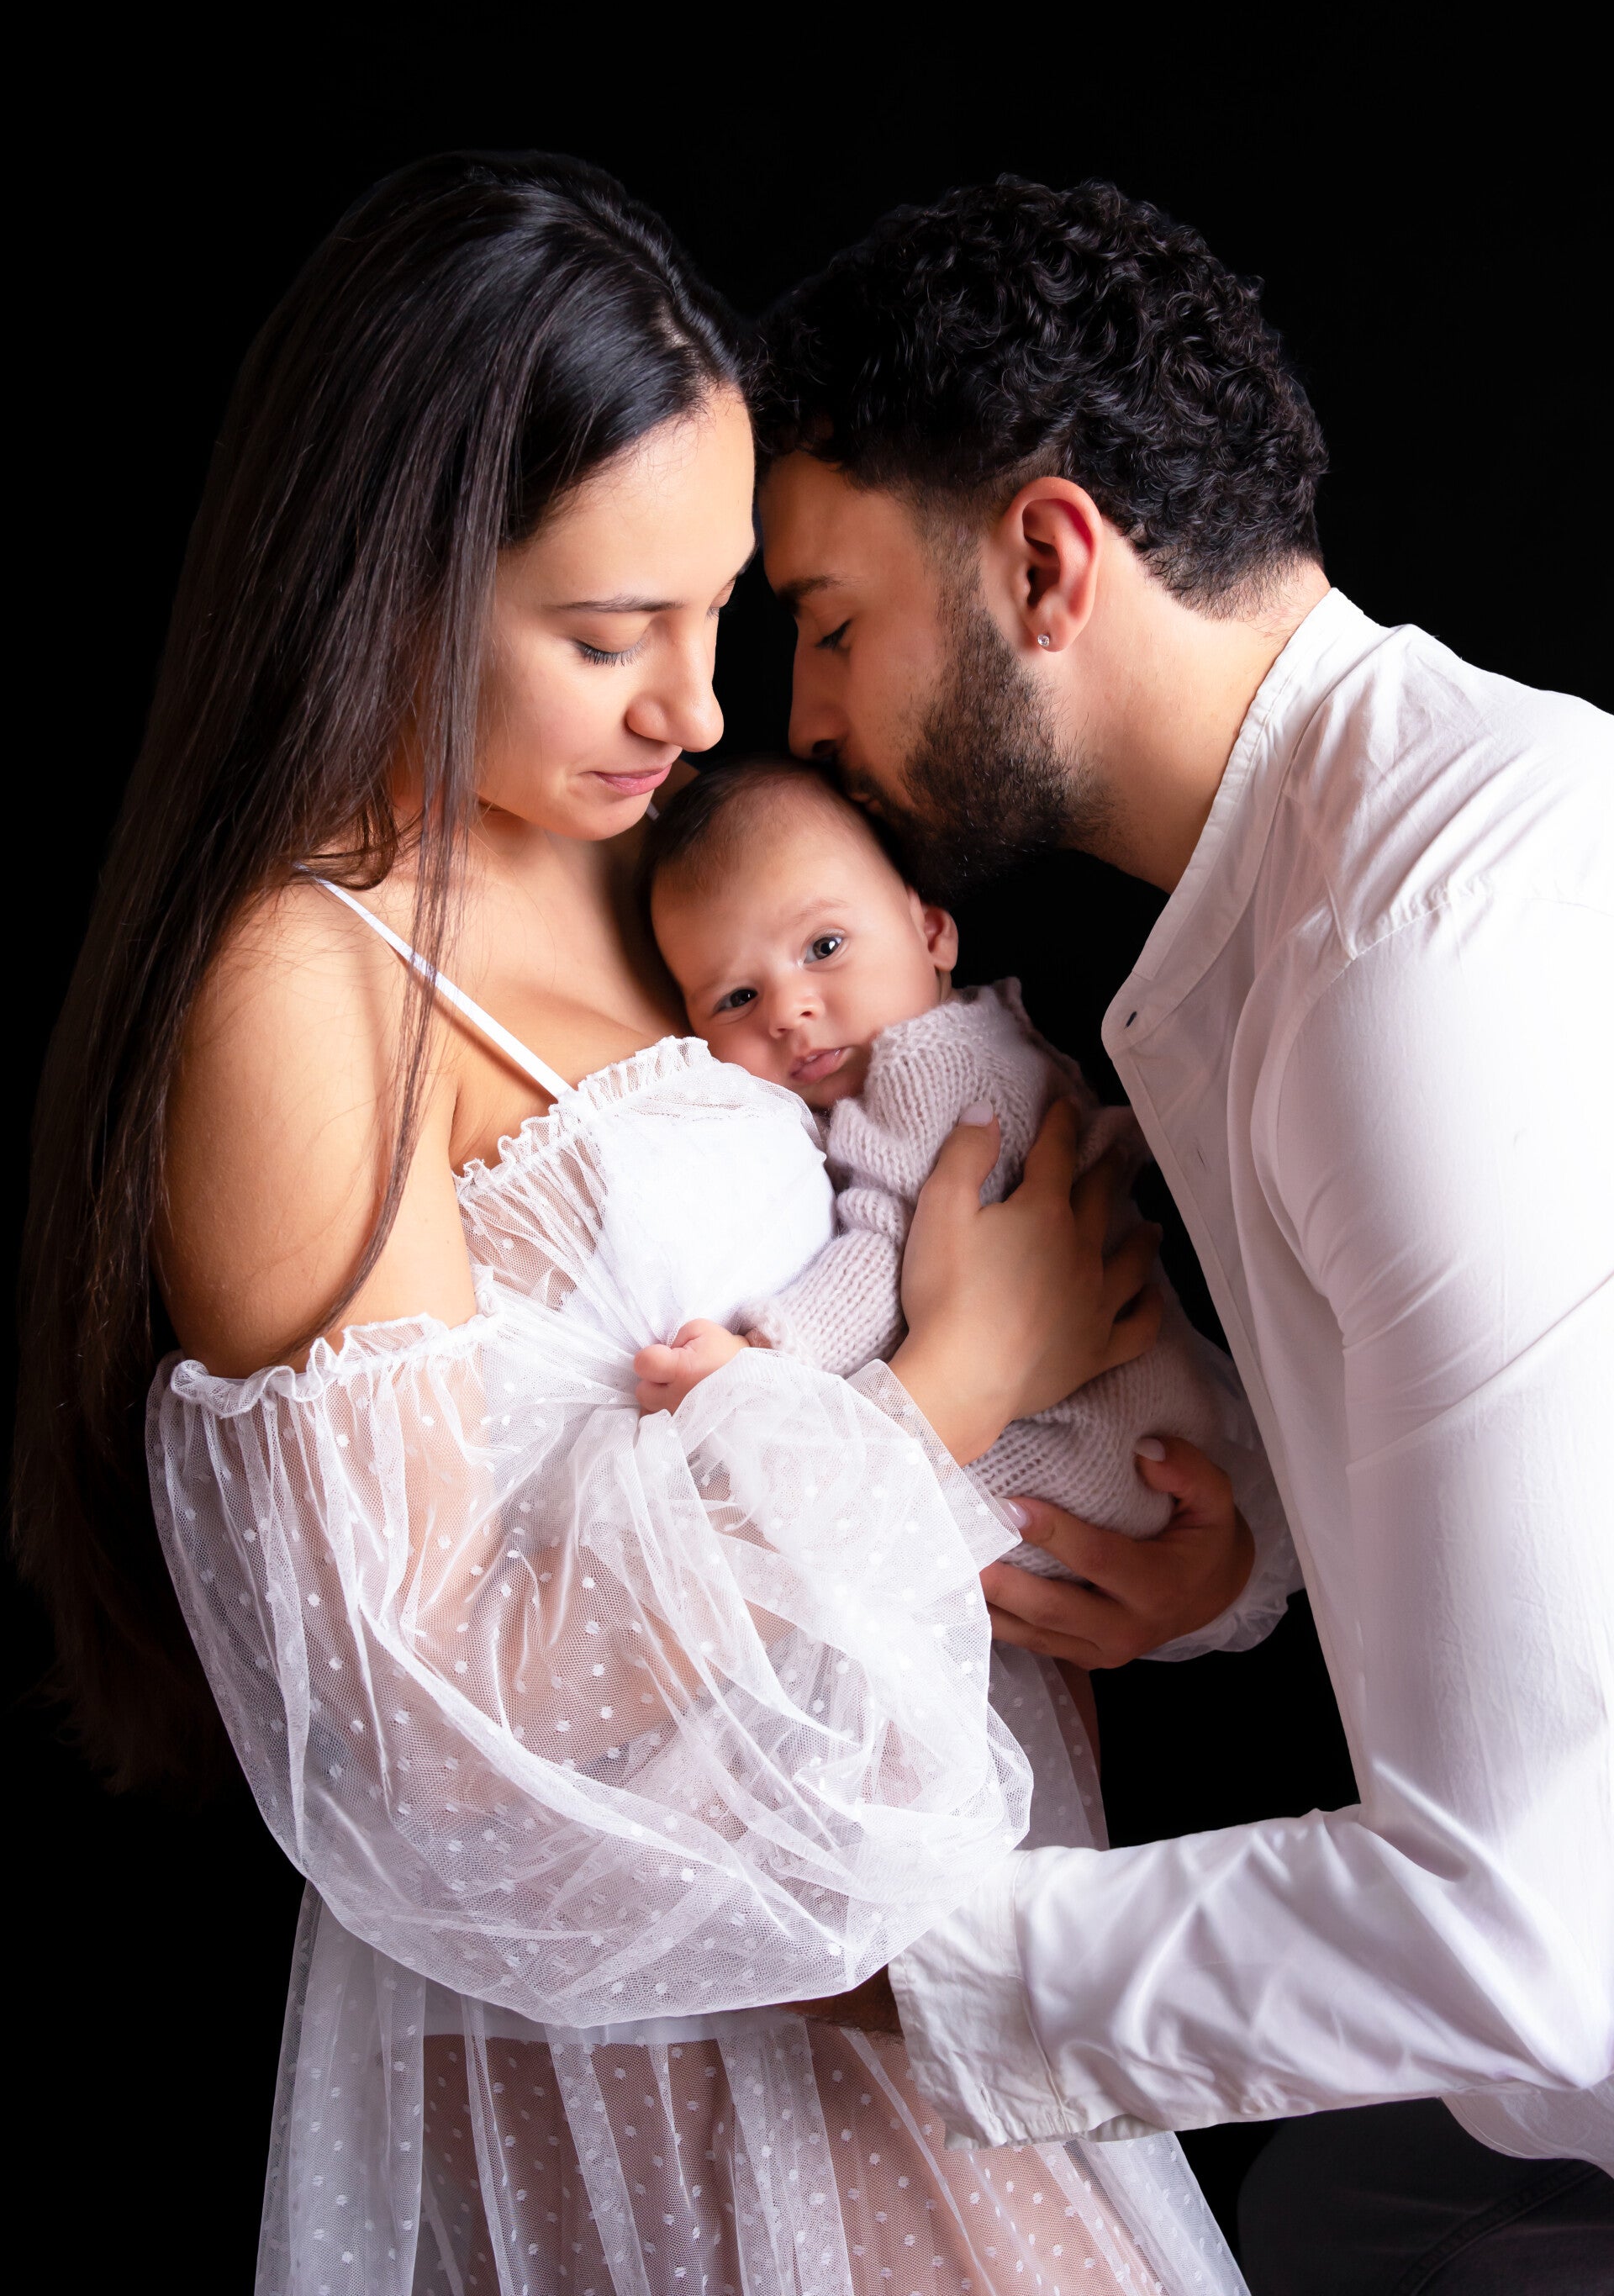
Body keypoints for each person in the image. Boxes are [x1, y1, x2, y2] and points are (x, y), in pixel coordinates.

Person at [12, 152, 1256, 2294]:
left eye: (719, 612)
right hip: (665, 2017)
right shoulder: (305, 993)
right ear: (399, 583)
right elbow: (419, 1720)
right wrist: (955, 1389)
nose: (699, 710)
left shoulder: (662, 856)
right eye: (609, 635)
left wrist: (1143, 1561)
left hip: (935, 1927)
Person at [753, 175, 1614, 2288]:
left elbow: (1526, 1930)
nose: (797, 719)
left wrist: (833, 1955)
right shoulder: (1304, 899)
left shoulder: (1412, 961)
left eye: (831, 621)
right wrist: (1252, 1552)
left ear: (1047, 562)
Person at [634, 751, 1267, 1574]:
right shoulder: (973, 1032)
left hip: (1093, 1443)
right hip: (1133, 1430)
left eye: (824, 946)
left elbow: (893, 1257)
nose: (788, 1010)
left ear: (932, 933)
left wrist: (766, 1359)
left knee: (849, 1530)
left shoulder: (934, 1065)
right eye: (737, 998)